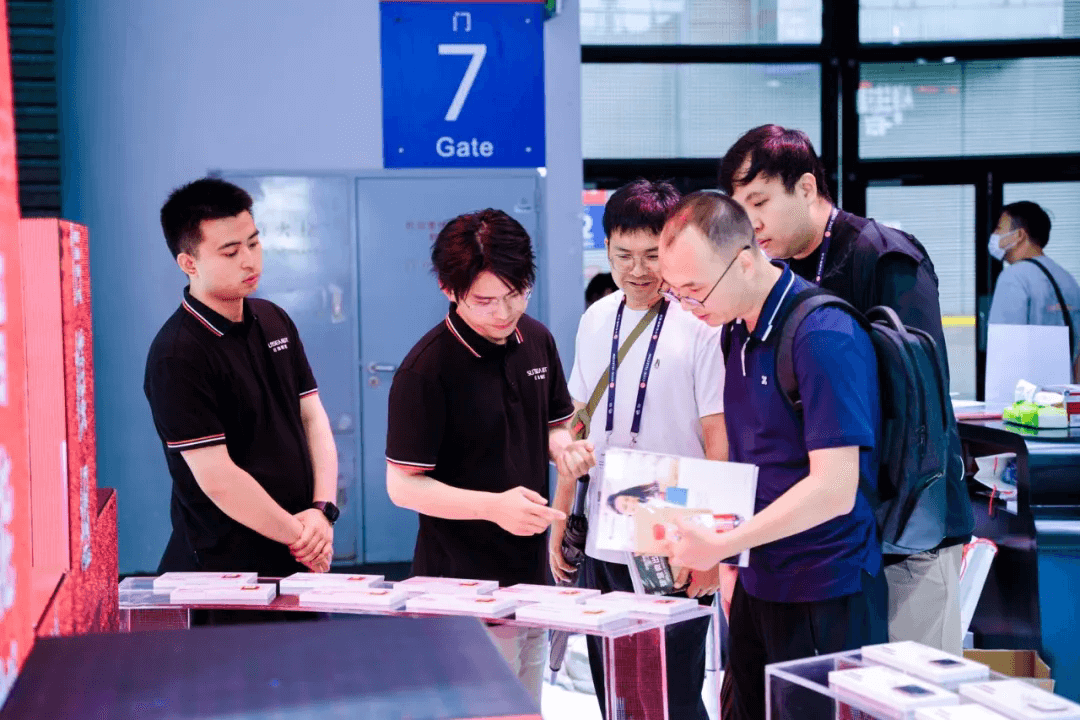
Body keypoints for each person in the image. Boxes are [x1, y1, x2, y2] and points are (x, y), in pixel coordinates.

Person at [719, 124, 974, 654]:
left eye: (760, 202)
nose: (751, 223)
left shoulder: (884, 256)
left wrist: (876, 512)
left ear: (807, 187)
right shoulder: (772, 274)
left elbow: (920, 407)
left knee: (911, 687)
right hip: (828, 544)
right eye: (740, 208)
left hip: (906, 531)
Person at [656, 191, 888, 720]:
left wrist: (724, 544)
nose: (689, 306)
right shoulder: (735, 332)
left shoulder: (822, 334)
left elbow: (834, 488)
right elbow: (752, 458)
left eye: (695, 290)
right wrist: (729, 559)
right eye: (677, 293)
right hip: (759, 580)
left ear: (744, 260)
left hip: (824, 588)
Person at [384, 208, 591, 705]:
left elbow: (553, 424)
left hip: (529, 578)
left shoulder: (535, 339)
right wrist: (493, 506)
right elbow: (402, 485)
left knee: (527, 705)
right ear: (448, 289)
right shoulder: (425, 370)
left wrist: (565, 450)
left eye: (516, 294)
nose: (503, 313)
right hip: (459, 586)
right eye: (484, 301)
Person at [550, 180, 727, 720]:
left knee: (673, 692)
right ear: (606, 248)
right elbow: (577, 424)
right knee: (616, 689)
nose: (638, 270)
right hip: (604, 528)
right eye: (623, 255)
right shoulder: (595, 319)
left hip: (673, 529)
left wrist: (714, 545)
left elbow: (719, 439)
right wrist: (561, 514)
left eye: (652, 255)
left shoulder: (700, 324)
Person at [145, 178, 338, 602]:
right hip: (225, 569)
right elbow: (218, 478)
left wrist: (323, 511)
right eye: (230, 252)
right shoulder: (177, 355)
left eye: (253, 243)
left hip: (299, 551)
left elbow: (312, 418)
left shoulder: (273, 319)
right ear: (189, 263)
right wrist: (303, 536)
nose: (249, 260)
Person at [988, 201, 1080, 379]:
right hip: (1064, 391)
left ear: (1019, 235)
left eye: (999, 229)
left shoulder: (1014, 277)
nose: (994, 236)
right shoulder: (1068, 280)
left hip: (1028, 393)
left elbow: (1004, 350)